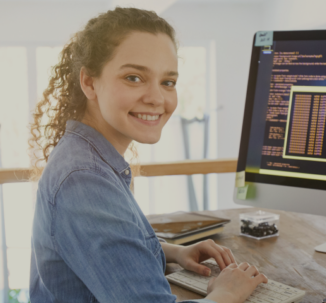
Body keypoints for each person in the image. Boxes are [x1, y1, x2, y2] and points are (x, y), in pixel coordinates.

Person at [28, 7, 268, 303]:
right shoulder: (84, 178)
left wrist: (174, 251)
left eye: (168, 82)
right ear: (90, 82)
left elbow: (104, 247)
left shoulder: (87, 157)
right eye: (133, 77)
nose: (157, 98)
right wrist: (225, 294)